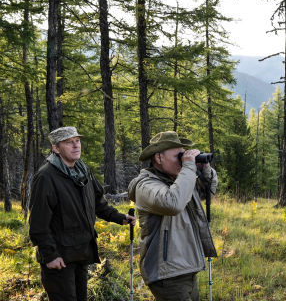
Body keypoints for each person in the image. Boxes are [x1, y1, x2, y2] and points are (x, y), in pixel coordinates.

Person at [29, 126, 136, 301]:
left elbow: (98, 204)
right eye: (68, 142)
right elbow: (38, 224)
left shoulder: (83, 171)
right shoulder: (46, 177)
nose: (76, 146)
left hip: (81, 252)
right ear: (56, 148)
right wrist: (50, 255)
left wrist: (120, 218)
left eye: (77, 141)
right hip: (59, 259)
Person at [128, 131, 218, 301]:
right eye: (178, 156)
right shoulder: (146, 185)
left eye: (184, 154)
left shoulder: (179, 181)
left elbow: (208, 190)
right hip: (167, 273)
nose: (183, 159)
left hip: (187, 267)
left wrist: (204, 168)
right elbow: (172, 203)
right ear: (158, 158)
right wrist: (189, 167)